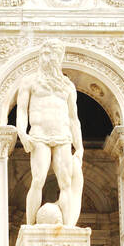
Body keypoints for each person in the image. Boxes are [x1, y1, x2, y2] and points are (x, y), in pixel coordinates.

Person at [16, 42, 84, 227]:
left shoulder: (67, 85)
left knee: (66, 184)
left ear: (59, 57)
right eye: (44, 54)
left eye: (52, 54)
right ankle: (30, 226)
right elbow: (22, 110)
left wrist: (79, 146)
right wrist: (21, 131)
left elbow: (73, 118)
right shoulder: (30, 81)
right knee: (38, 180)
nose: (47, 58)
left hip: (63, 136)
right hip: (39, 135)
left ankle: (68, 227)